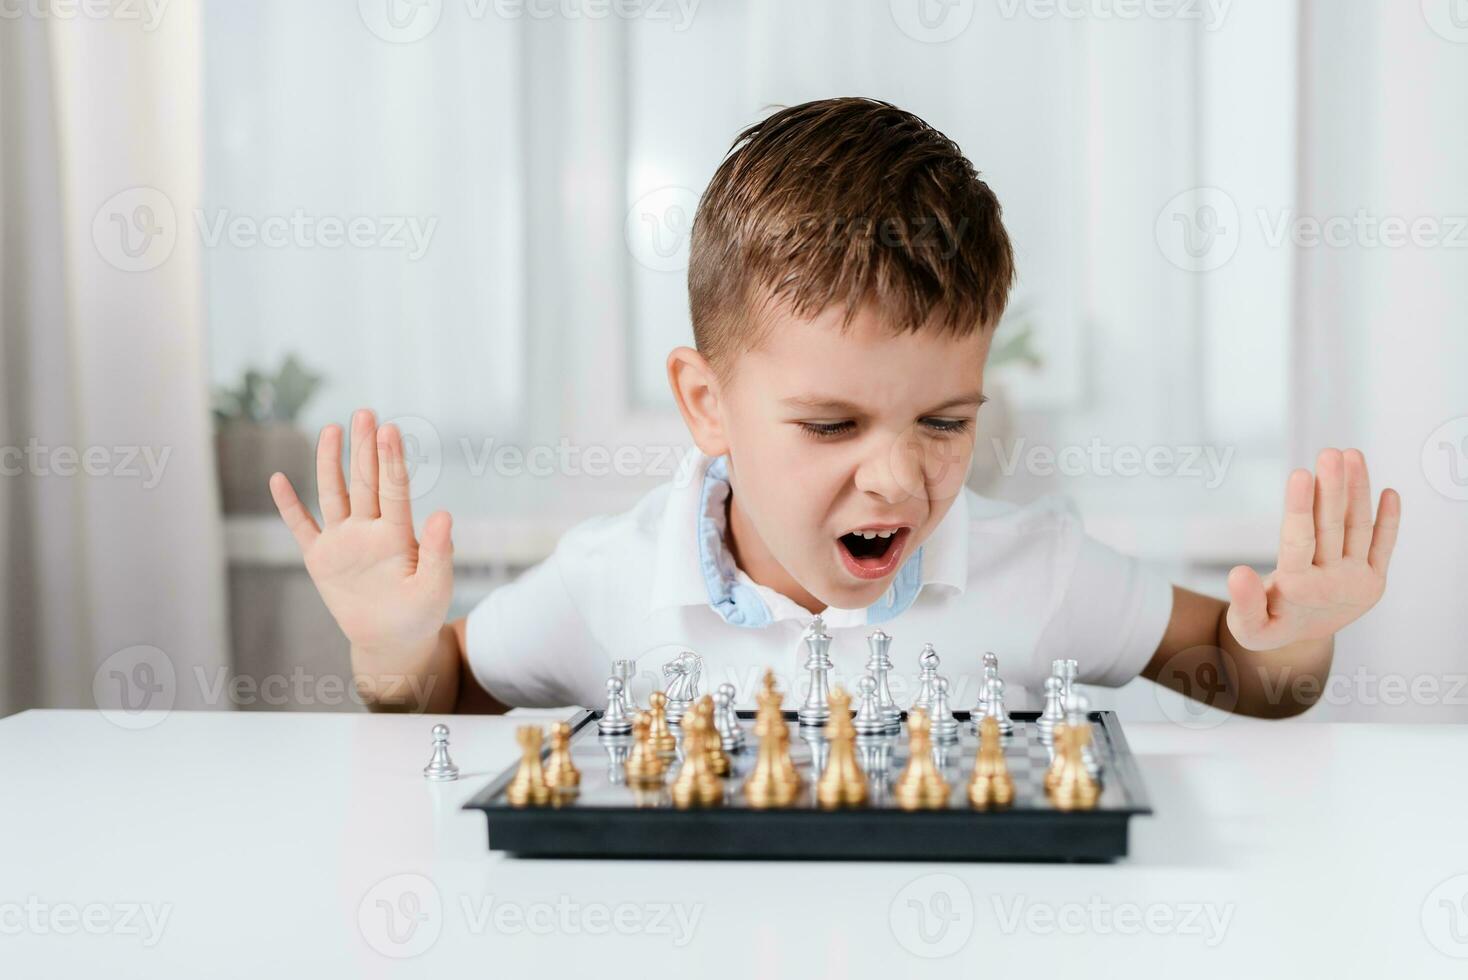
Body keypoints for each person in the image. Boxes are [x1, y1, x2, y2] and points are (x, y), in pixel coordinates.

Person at [268, 98, 1400, 717]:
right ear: (704, 402)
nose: (900, 479)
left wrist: (1292, 645)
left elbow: (1238, 673)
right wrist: (390, 647)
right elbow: (444, 687)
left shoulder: (1036, 569)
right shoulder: (614, 576)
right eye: (831, 425)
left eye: (944, 421)